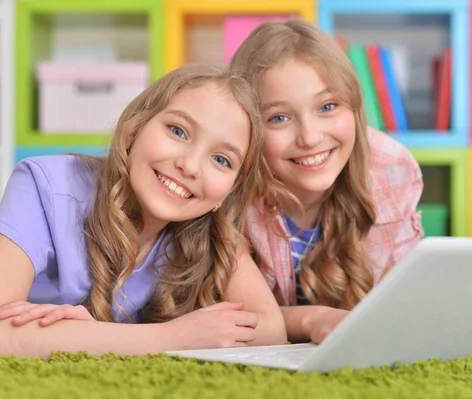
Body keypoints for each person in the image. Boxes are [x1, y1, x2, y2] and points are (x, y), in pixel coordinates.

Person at [0, 63, 286, 358]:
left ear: (230, 189)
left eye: (221, 160)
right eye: (178, 131)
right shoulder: (44, 186)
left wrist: (91, 337)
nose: (189, 166)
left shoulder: (211, 232)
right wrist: (171, 337)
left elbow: (271, 330)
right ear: (134, 128)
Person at [230, 20, 424, 344]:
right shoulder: (229, 189)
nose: (310, 137)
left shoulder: (391, 170)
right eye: (279, 117)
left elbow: (399, 301)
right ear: (249, 128)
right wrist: (311, 319)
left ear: (354, 106)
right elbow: (234, 316)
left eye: (327, 106)